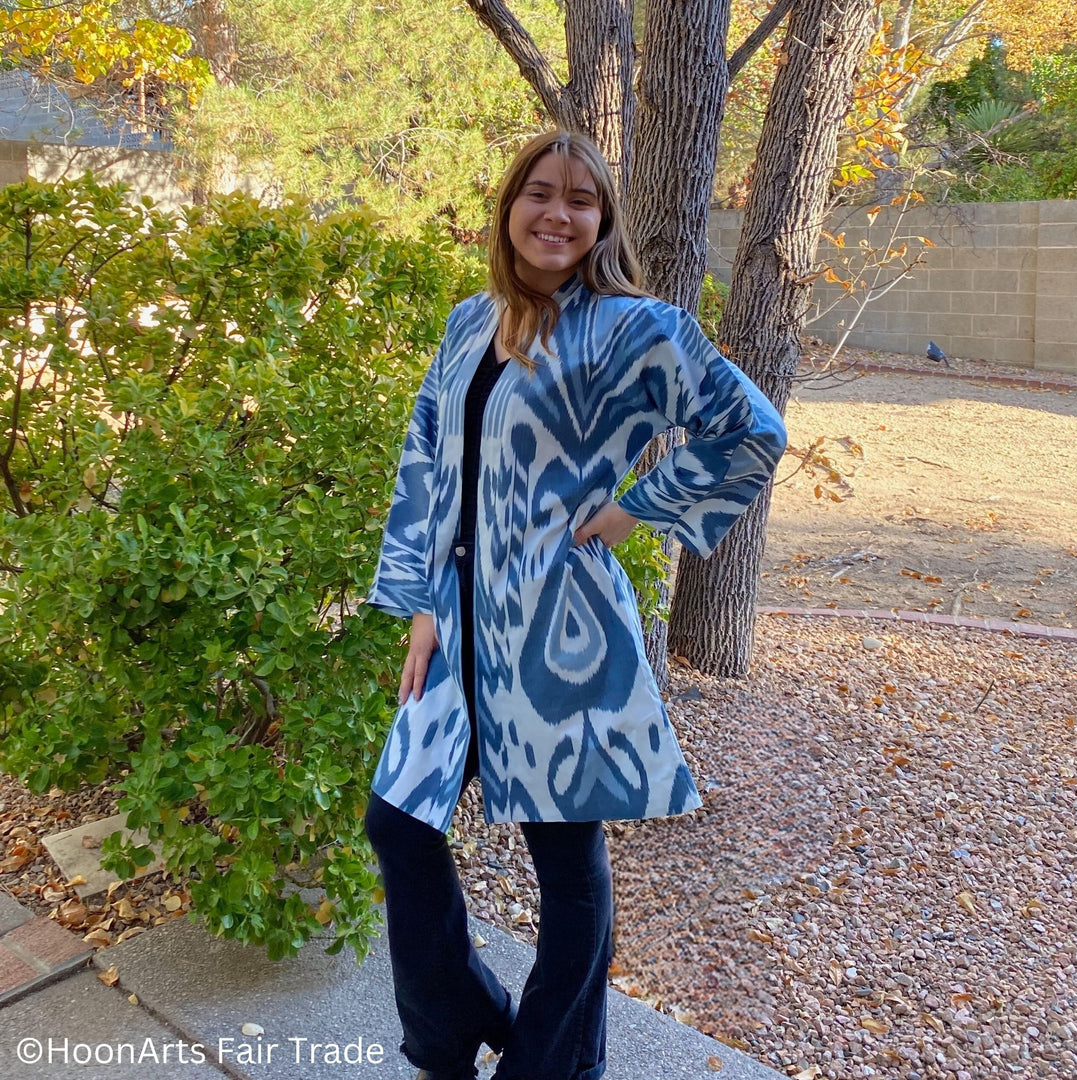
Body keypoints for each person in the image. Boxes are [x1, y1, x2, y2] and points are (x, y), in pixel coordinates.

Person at [364, 130, 787, 1080]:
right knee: (398, 824)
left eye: (582, 201)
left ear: (603, 222)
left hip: (562, 630)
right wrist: (426, 601)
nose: (559, 215)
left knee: (565, 855)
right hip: (464, 622)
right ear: (509, 206)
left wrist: (637, 509)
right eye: (541, 194)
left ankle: (551, 1065)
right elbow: (430, 460)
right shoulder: (470, 321)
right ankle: (456, 1022)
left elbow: (752, 429)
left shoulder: (636, 327)